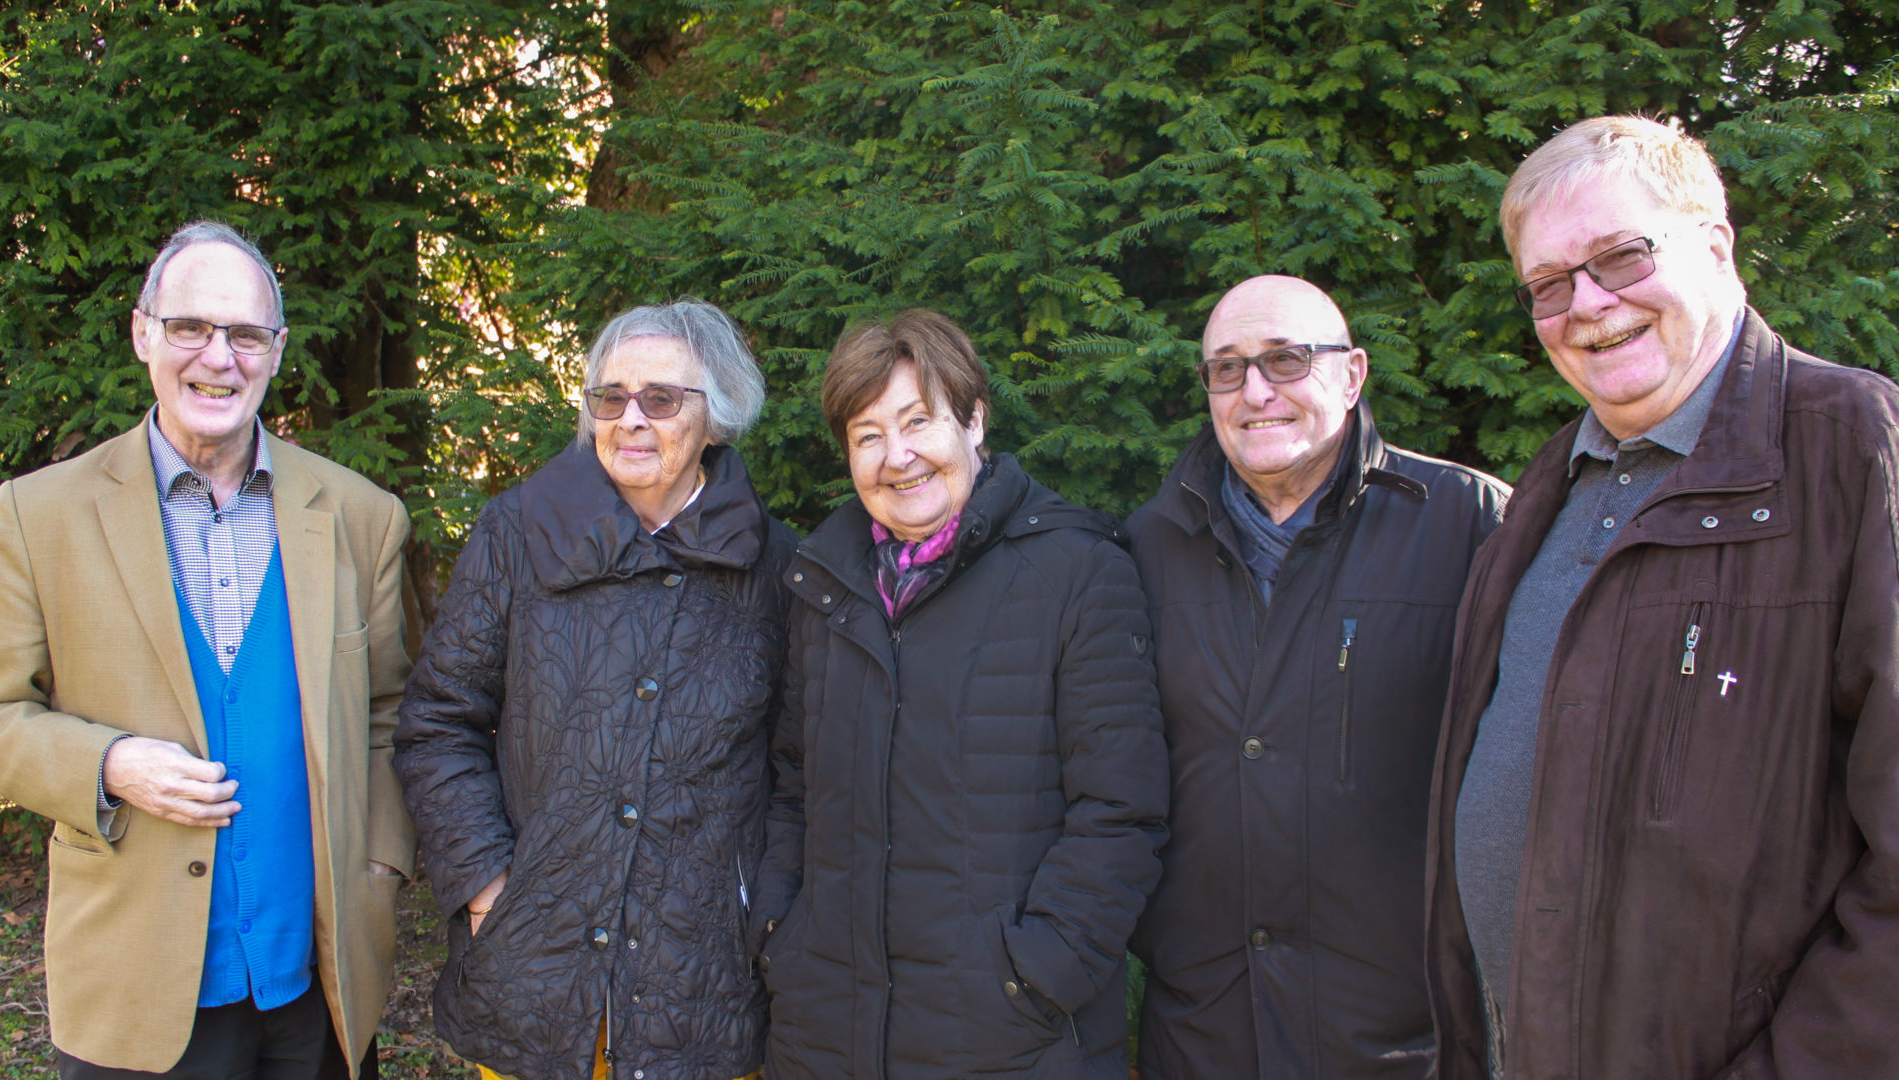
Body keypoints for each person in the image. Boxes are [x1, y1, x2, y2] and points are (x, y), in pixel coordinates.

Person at [1426, 115, 1899, 1078]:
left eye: (1621, 257)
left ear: (1715, 246)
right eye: (1548, 285)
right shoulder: (1554, 485)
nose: (1588, 305)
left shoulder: (1851, 448)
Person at [0, 221, 413, 1078]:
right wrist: (107, 764)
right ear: (144, 331)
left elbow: (389, 717)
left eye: (246, 334)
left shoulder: (362, 517)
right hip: (135, 987)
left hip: (317, 988)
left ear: (277, 351)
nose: (219, 358)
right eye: (191, 328)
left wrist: (382, 866)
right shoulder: (41, 513)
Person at [750, 309, 1168, 1079]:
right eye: (868, 435)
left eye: (918, 421)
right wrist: (783, 928)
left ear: (975, 420)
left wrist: (1040, 973)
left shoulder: (1075, 572)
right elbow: (793, 787)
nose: (897, 456)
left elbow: (1122, 809)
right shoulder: (823, 582)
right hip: (826, 1030)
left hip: (1012, 1037)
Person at [393, 299, 792, 1080]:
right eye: (610, 398)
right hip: (536, 961)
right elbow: (439, 722)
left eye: (662, 399)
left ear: (719, 416)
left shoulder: (775, 566)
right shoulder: (517, 533)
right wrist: (484, 885)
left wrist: (760, 915)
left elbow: (795, 770)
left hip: (701, 983)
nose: (631, 418)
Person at [1124, 276, 1507, 1078]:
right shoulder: (1147, 547)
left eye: (1287, 360)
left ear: (1353, 373)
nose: (1255, 391)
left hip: (1401, 1040)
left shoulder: (1469, 523)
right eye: (1226, 369)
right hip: (1204, 1034)